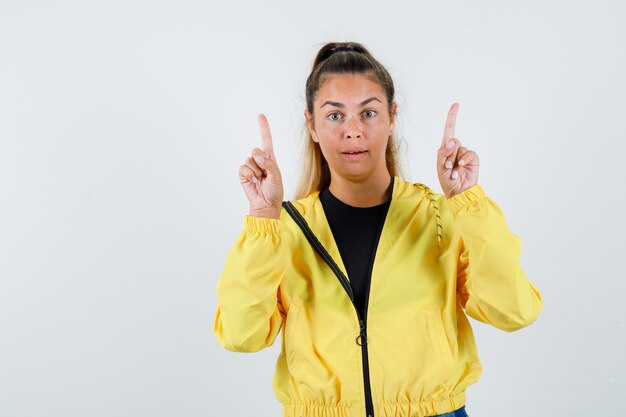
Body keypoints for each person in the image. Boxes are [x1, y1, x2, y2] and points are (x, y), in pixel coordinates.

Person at [213, 41, 543, 417]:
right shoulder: (281, 230)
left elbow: (514, 311)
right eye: (335, 116)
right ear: (312, 125)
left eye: (368, 113)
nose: (353, 131)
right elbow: (241, 335)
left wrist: (468, 202)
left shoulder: (440, 217)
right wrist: (262, 215)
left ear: (391, 117)